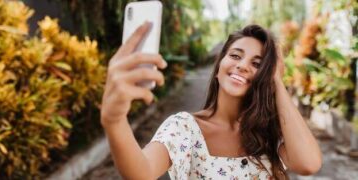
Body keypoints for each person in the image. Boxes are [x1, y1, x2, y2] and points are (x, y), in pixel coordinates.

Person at [100, 22, 322, 180]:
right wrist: (114, 120)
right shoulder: (184, 128)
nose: (243, 65)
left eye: (257, 64)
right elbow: (142, 172)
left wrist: (276, 82)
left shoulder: (270, 132)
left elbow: (308, 164)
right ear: (218, 69)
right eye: (235, 55)